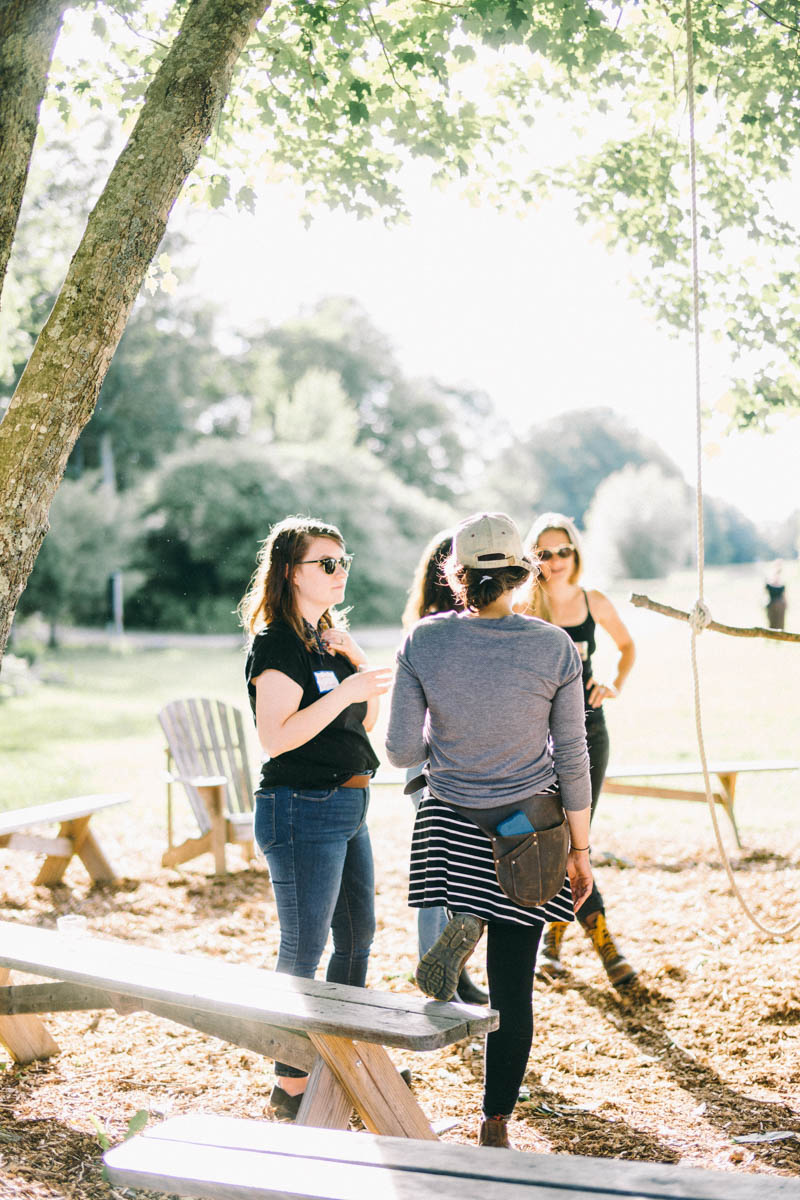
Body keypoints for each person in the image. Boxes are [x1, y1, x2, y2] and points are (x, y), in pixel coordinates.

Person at [386, 512, 593, 1149]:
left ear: (455, 575)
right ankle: (496, 1118)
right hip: (527, 832)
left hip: (450, 825)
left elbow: (397, 751)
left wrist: (452, 733)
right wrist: (581, 852)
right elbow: (573, 754)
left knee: (471, 890)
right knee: (514, 986)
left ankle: (464, 914)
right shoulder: (553, 646)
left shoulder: (423, 641)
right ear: (524, 572)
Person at [239, 516, 392, 1120]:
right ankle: (291, 1084)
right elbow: (275, 738)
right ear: (289, 573)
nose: (338, 572)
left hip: (348, 804)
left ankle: (340, 1054)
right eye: (325, 563)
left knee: (357, 938)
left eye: (342, 561)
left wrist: (356, 662)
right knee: (303, 949)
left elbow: (368, 722)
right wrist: (344, 694)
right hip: (301, 807)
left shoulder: (325, 639)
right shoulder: (276, 642)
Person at [518, 513, 636, 988]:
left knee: (571, 838)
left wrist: (614, 683)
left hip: (590, 733)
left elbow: (627, 646)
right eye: (543, 553)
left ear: (576, 552)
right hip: (539, 739)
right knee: (562, 841)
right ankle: (598, 944)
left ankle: (554, 944)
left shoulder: (593, 600)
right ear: (532, 559)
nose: (555, 561)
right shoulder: (526, 605)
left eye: (562, 551)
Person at [401, 530, 488, 1007]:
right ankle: (439, 968)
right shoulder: (439, 629)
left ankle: (452, 969)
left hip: (435, 761)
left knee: (448, 868)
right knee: (444, 871)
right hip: (438, 762)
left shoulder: (431, 626)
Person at [765, 562, 787, 630]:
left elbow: (784, 595)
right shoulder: (768, 581)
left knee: (780, 622)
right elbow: (764, 594)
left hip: (780, 604)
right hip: (771, 604)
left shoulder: (782, 581)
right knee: (772, 622)